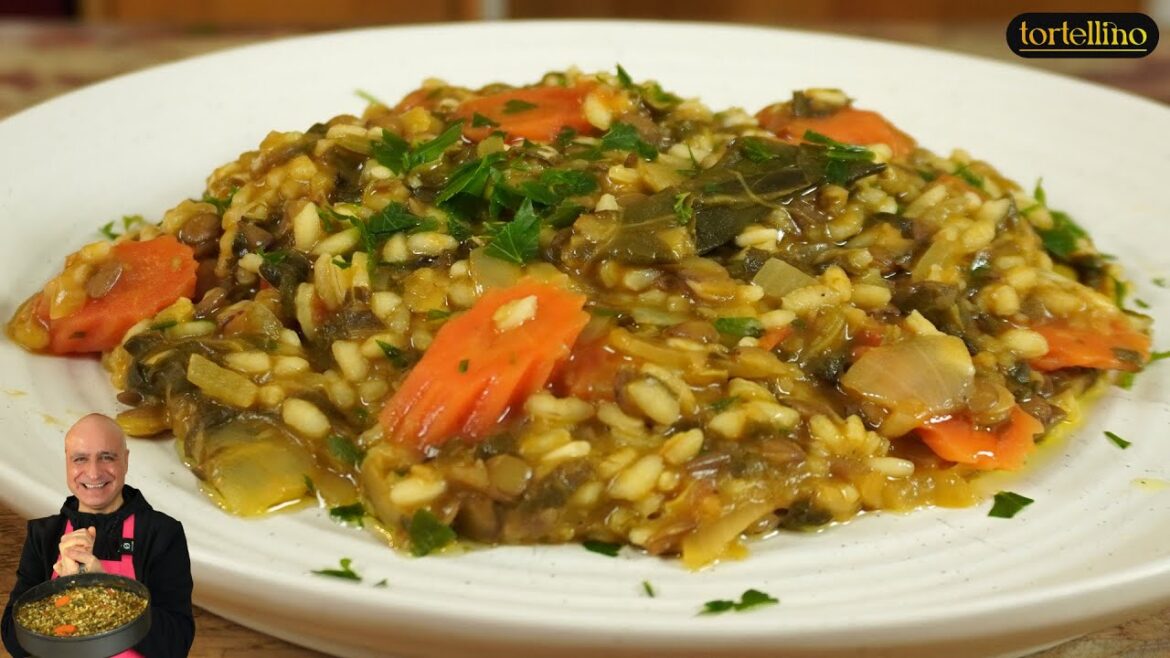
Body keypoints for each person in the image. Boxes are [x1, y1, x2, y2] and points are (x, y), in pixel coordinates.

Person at [2, 413, 195, 657]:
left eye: (107, 457)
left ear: (125, 461)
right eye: (80, 459)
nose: (93, 473)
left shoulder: (161, 533)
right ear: (67, 463)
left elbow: (175, 644)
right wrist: (62, 590)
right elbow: (13, 640)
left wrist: (105, 589)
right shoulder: (43, 535)